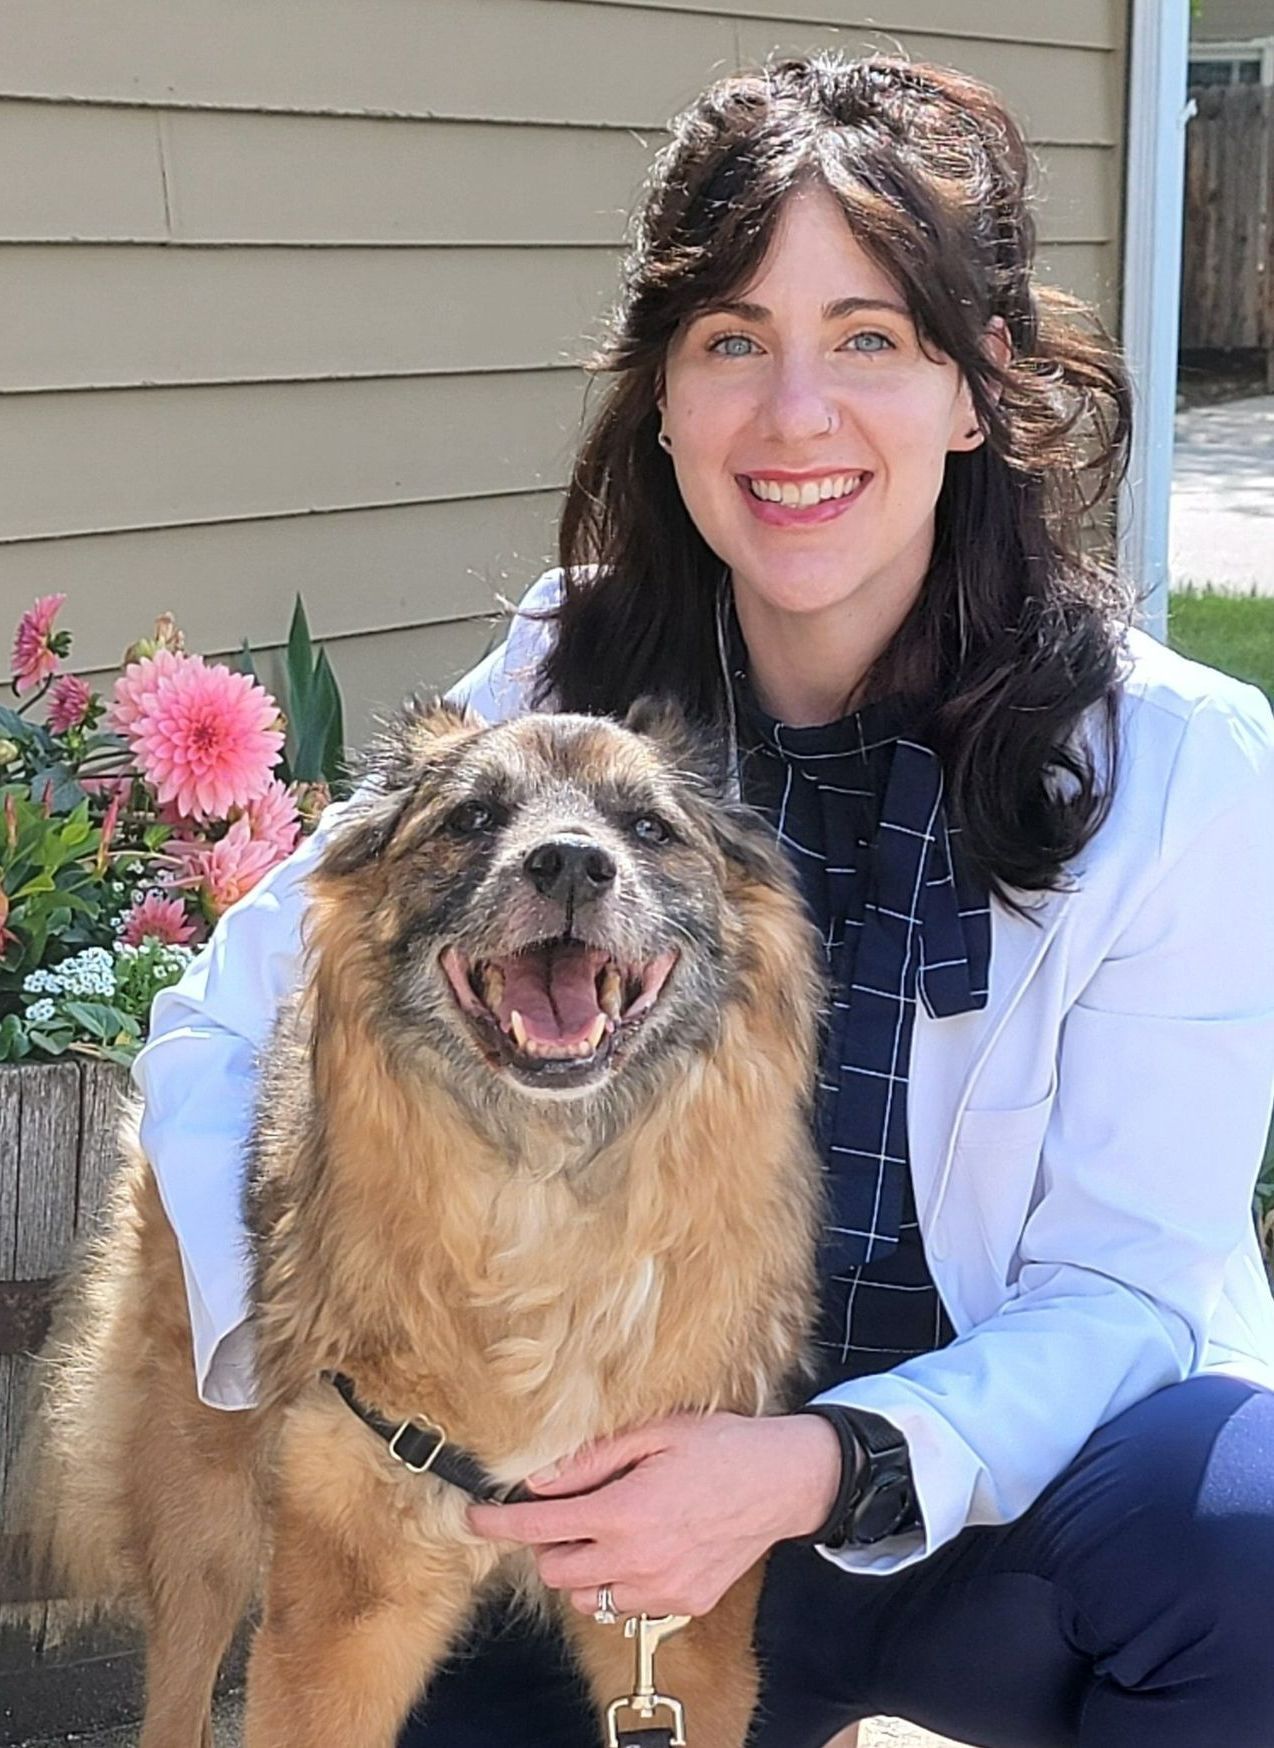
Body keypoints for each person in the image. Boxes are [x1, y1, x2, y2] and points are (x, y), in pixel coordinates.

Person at [132, 54, 1274, 1748]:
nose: (791, 412)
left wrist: (807, 1461)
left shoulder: (1181, 764)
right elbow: (226, 1019)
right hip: (563, 1515)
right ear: (660, 396)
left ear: (977, 391)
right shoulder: (558, 671)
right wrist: (369, 1390)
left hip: (975, 1517)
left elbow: (1126, 1285)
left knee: (1241, 1538)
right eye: (731, 338)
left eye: (869, 339)